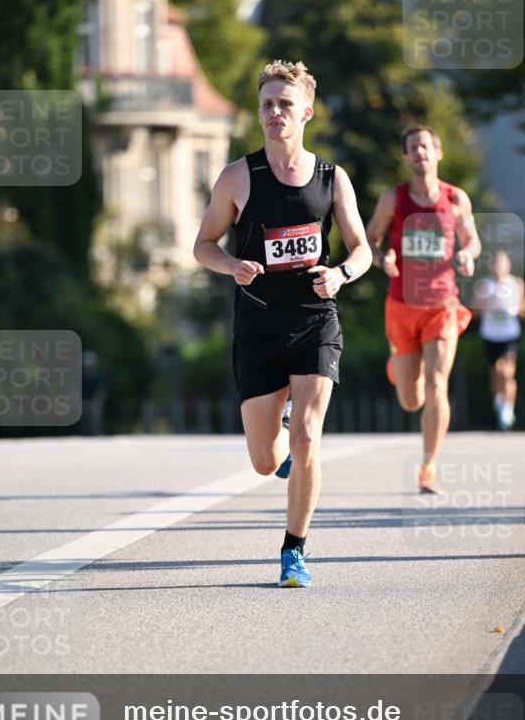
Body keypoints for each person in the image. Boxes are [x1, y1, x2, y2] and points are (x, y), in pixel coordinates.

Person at [193, 59, 371, 587]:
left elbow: (362, 251)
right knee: (265, 460)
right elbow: (202, 245)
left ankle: (294, 551)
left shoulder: (331, 179)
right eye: (267, 104)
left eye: (285, 104)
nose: (275, 112)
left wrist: (339, 275)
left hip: (316, 321)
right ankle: (289, 454)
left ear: (307, 113)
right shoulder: (237, 177)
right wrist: (232, 266)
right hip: (258, 328)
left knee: (309, 439)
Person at [365, 125, 481, 492]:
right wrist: (382, 259)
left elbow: (473, 239)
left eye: (426, 147)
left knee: (436, 385)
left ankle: (428, 466)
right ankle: (399, 367)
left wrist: (467, 254)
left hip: (442, 305)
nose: (420, 153)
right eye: (413, 148)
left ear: (438, 152)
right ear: (405, 156)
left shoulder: (456, 198)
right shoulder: (393, 199)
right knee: (411, 399)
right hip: (401, 305)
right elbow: (369, 241)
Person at [473, 250, 525, 430]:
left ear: (508, 265)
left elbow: (523, 310)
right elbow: (475, 313)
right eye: (495, 264)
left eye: (502, 263)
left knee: (507, 372)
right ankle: (499, 400)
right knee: (496, 371)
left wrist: (511, 308)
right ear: (491, 267)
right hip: (490, 334)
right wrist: (487, 302)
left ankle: (508, 408)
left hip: (509, 334)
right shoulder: (484, 286)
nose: (498, 267)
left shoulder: (516, 283)